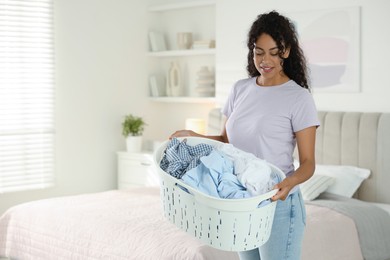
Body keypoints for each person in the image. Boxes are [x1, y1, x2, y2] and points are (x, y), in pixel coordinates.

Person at [170, 10, 320, 260]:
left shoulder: (299, 98)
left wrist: (288, 183)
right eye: (259, 51)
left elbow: (308, 164)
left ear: (286, 51)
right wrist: (193, 135)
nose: (265, 60)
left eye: (273, 52)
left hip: (278, 203)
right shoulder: (241, 89)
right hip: (241, 201)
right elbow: (226, 144)